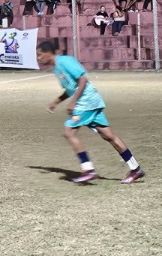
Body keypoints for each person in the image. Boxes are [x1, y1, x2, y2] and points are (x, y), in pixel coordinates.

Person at [37, 40, 145, 184]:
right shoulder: (56, 68)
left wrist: (74, 102)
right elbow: (71, 88)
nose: (39, 58)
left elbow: (83, 80)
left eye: (40, 55)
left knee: (69, 132)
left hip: (86, 101)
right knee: (108, 135)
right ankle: (135, 168)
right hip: (88, 101)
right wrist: (56, 102)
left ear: (48, 53)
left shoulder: (65, 62)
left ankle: (87, 170)